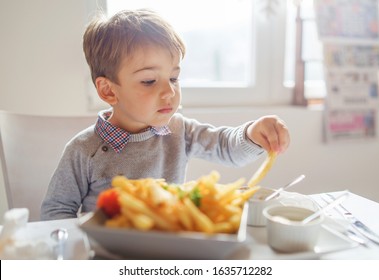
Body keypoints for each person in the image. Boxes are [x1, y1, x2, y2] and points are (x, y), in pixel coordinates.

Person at [40, 9, 290, 220]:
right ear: (108, 90)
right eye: (149, 81)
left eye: (174, 77)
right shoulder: (83, 150)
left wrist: (252, 134)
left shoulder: (180, 130)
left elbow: (226, 147)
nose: (169, 91)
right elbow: (56, 211)